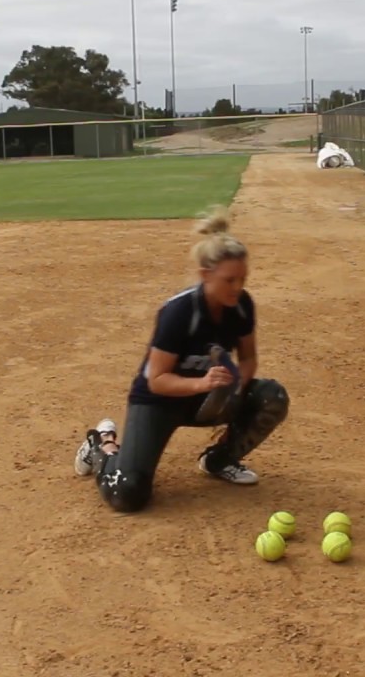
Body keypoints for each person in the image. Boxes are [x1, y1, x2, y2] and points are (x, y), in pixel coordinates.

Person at [72, 206, 290, 513]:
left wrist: (235, 386)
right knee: (127, 493)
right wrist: (203, 383)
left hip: (205, 398)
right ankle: (101, 444)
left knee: (272, 397)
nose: (238, 288)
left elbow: (249, 358)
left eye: (243, 279)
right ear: (206, 275)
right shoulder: (178, 313)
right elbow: (157, 379)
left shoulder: (241, 306)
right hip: (157, 401)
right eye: (229, 280)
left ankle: (219, 460)